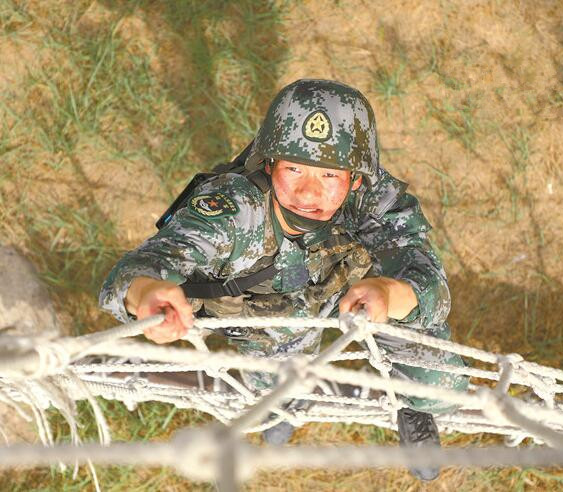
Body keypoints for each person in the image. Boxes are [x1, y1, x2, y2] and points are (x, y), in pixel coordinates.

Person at [99, 79, 468, 481]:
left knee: (438, 379)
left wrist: (389, 292)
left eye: (329, 175)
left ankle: (413, 404)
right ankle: (288, 408)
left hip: (354, 292)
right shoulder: (234, 209)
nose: (308, 193)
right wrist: (147, 292)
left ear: (355, 179)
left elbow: (430, 282)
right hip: (271, 319)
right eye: (293, 168)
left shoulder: (374, 198)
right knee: (276, 389)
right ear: (270, 164)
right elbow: (145, 266)